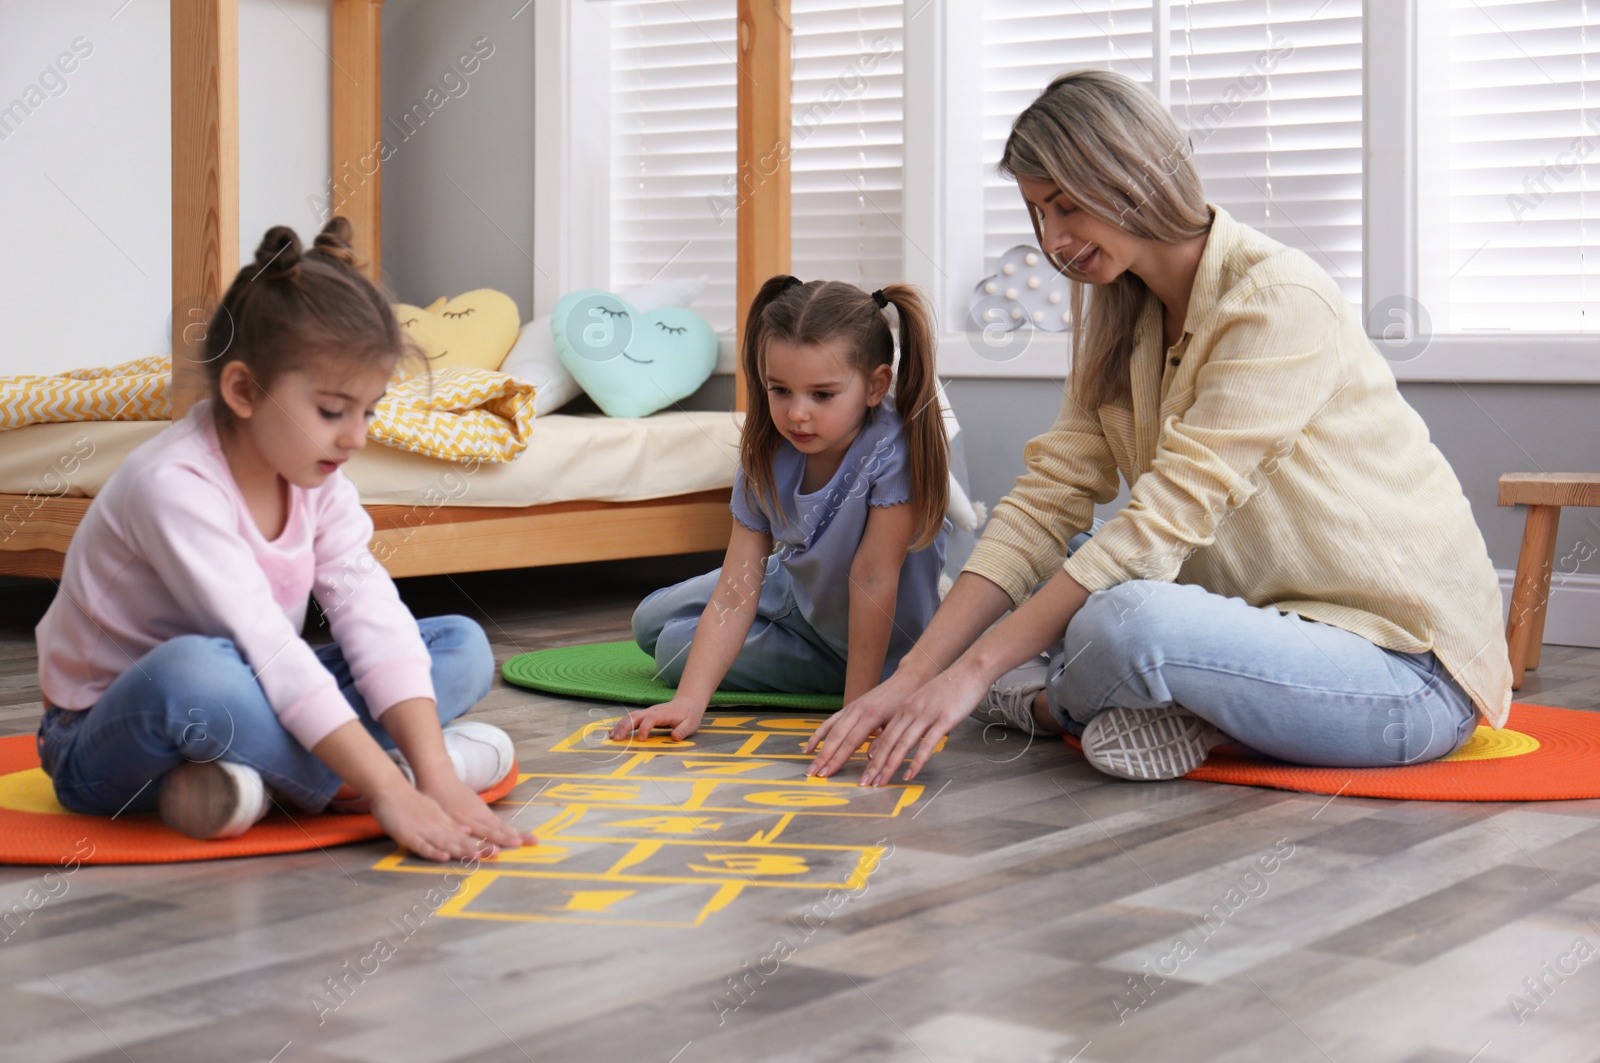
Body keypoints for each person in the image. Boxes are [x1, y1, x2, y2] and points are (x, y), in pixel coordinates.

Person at [805, 69, 1511, 786]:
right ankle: (1171, 703)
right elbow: (1048, 500)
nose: (1053, 239)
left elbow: (1169, 517)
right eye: (1038, 214)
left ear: (1129, 174)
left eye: (1066, 206)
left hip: (1407, 672)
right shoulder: (1118, 314)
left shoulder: (1278, 298)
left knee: (1126, 619)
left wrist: (971, 673)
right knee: (1060, 566)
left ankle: (1053, 704)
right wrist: (918, 669)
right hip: (1263, 625)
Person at [34, 219, 529, 860]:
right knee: (198, 671)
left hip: (253, 695)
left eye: (369, 411)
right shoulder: (173, 485)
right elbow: (269, 652)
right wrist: (391, 790)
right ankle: (362, 778)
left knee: (459, 644)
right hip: (103, 734)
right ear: (243, 390)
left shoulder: (315, 475)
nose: (355, 437)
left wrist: (436, 776)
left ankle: (251, 786)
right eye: (332, 411)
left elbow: (370, 610)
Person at [612, 277, 949, 742]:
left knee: (674, 647)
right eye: (780, 390)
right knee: (647, 620)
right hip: (796, 590)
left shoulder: (894, 452)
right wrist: (689, 702)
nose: (797, 414)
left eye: (822, 395)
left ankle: (843, 677)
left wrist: (858, 708)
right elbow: (735, 591)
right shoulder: (767, 451)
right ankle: (769, 628)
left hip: (862, 640)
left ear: (875, 387)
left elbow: (872, 581)